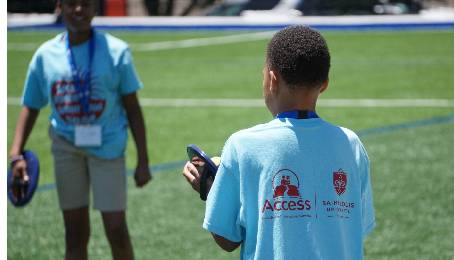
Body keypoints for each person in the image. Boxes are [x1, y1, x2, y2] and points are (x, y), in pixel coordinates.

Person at [183, 25, 375, 260]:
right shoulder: (351, 145)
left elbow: (228, 239)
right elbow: (355, 227)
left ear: (272, 79)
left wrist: (209, 189)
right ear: (324, 83)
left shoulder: (243, 145)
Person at [9, 0, 151, 259]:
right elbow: (30, 105)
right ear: (59, 7)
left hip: (108, 149)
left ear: (95, 9)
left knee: (116, 229)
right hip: (66, 148)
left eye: (86, 4)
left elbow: (133, 109)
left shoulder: (117, 51)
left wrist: (143, 160)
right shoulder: (45, 55)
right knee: (74, 232)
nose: (78, 10)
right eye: (72, 4)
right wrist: (16, 153)